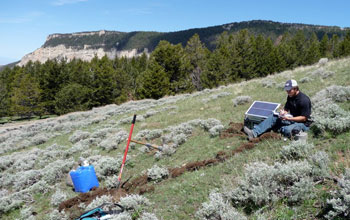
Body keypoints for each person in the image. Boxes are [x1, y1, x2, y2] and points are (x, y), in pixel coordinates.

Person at [244, 79, 312, 141]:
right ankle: (253, 133)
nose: (287, 92)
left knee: (287, 130)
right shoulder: (290, 96)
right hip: (291, 119)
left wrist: (289, 119)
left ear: (295, 88)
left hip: (302, 124)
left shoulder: (304, 100)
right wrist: (283, 112)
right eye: (286, 90)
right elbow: (286, 108)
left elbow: (304, 118)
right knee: (274, 116)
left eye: (289, 90)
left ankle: (277, 128)